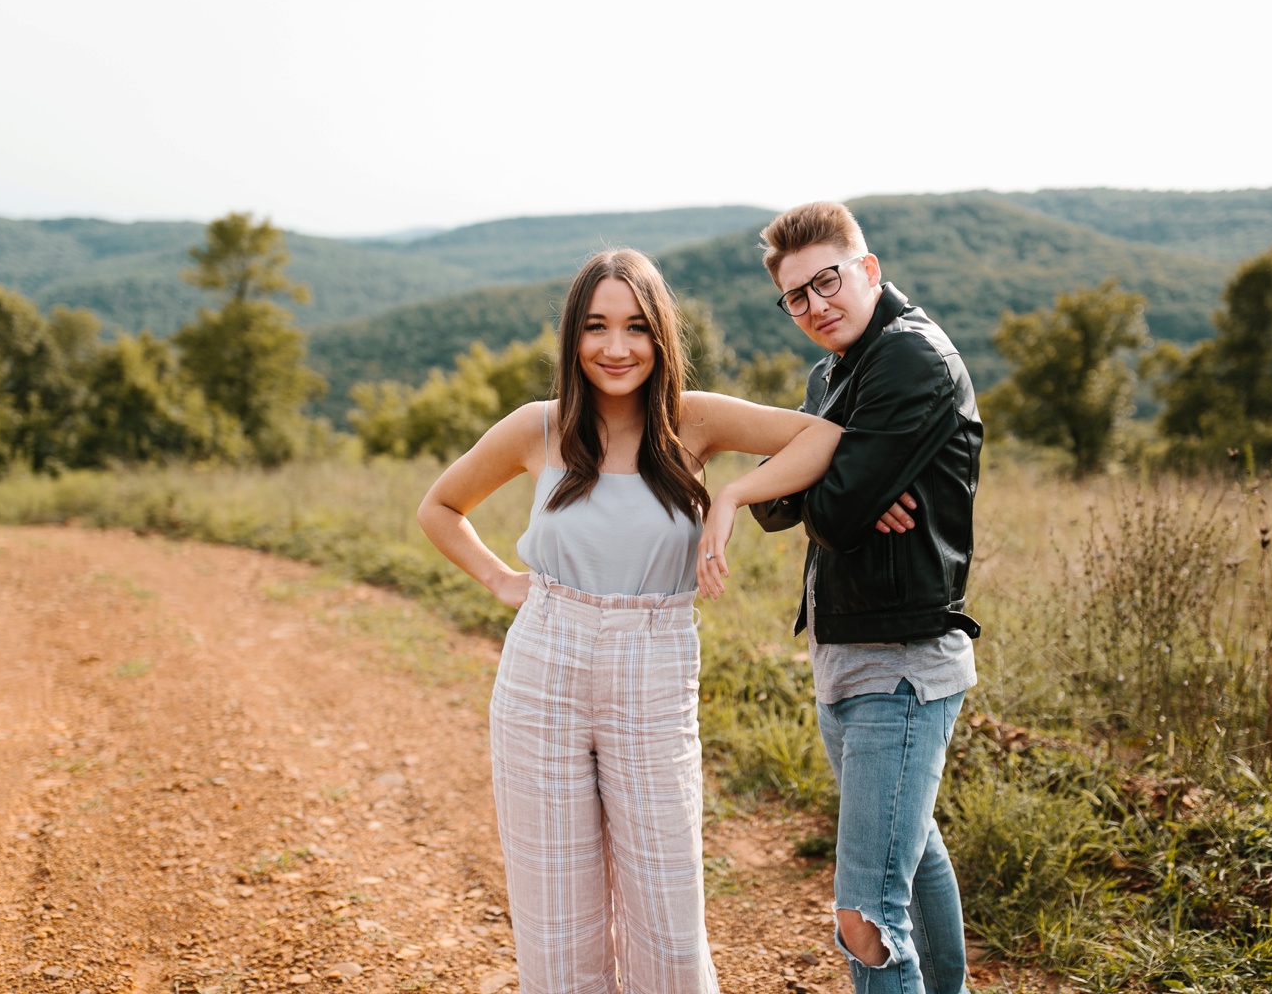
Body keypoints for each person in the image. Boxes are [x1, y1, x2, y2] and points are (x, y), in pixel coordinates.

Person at [417, 248, 841, 994]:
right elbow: (439, 508)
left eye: (637, 328)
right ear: (573, 339)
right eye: (597, 327)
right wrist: (502, 580)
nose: (616, 348)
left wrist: (731, 496)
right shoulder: (536, 428)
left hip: (654, 667)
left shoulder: (694, 419)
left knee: (668, 916)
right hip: (542, 666)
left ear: (661, 337)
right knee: (555, 921)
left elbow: (823, 436)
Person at [750, 202, 983, 994]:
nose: (816, 305)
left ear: (868, 270)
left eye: (829, 281)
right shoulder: (833, 371)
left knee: (864, 912)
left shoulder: (910, 358)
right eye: (797, 295)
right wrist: (839, 477)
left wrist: (828, 477)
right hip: (846, 648)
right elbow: (770, 504)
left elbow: (832, 509)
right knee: (913, 859)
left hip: (902, 660)